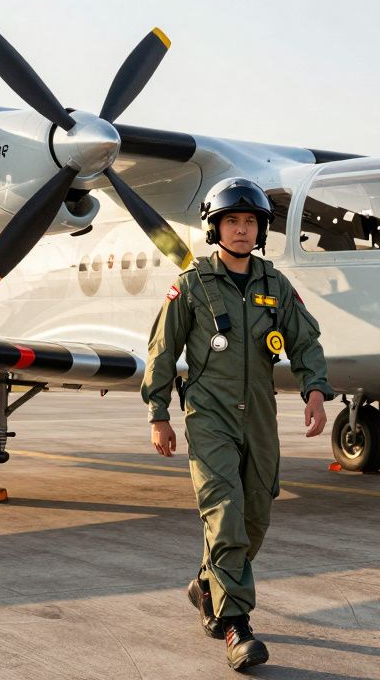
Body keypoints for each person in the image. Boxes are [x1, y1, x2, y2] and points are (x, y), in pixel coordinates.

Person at [142, 177, 333, 671]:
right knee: (224, 514)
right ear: (215, 227)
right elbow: (162, 351)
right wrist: (159, 414)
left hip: (261, 417)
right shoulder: (191, 286)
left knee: (254, 518)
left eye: (251, 222)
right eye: (233, 221)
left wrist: (315, 391)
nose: (243, 230)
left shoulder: (275, 285)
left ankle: (207, 584)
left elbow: (305, 341)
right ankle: (236, 626)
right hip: (210, 415)